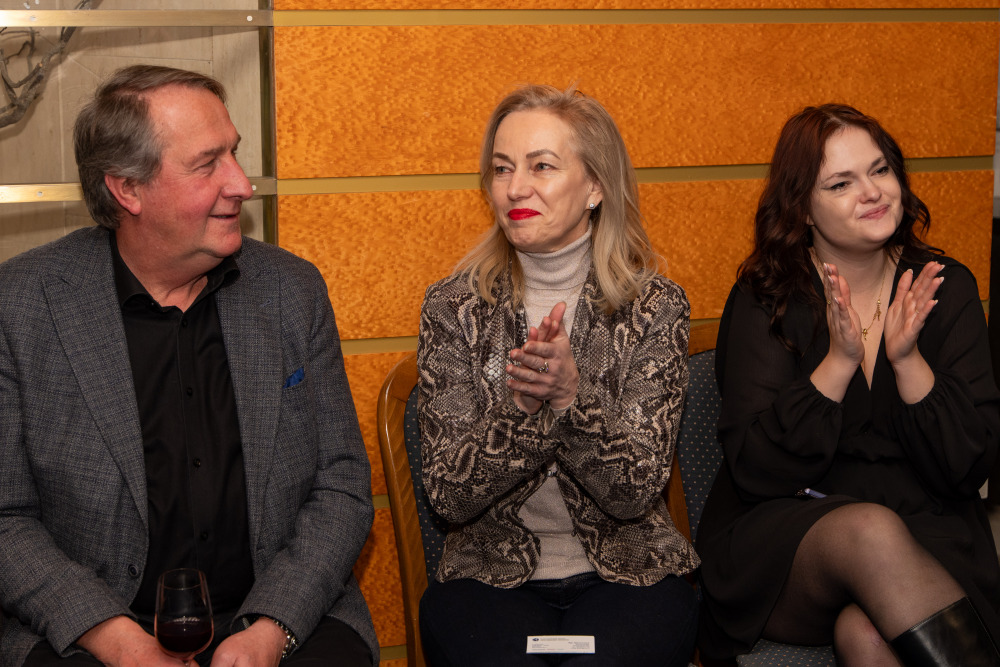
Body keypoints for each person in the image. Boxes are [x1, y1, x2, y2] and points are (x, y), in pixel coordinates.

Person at [0, 65, 378, 667]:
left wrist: (270, 629)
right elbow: (6, 518)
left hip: (277, 614)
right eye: (208, 164)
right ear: (128, 189)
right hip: (94, 630)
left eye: (234, 153)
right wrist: (117, 641)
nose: (242, 184)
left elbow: (342, 486)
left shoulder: (291, 291)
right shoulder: (23, 305)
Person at [696, 103, 1000, 666]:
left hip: (929, 528)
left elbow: (968, 467)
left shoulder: (944, 287)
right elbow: (757, 471)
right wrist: (839, 362)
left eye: (880, 170)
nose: (872, 192)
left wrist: (908, 362)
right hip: (790, 541)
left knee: (867, 635)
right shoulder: (769, 297)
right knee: (870, 530)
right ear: (802, 210)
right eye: (841, 183)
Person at [416, 84, 699, 667]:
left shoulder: (655, 307)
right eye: (502, 168)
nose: (515, 187)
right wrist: (521, 409)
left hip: (630, 573)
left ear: (596, 186)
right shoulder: (453, 308)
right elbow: (448, 495)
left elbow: (635, 492)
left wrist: (571, 399)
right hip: (488, 578)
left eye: (541, 166)